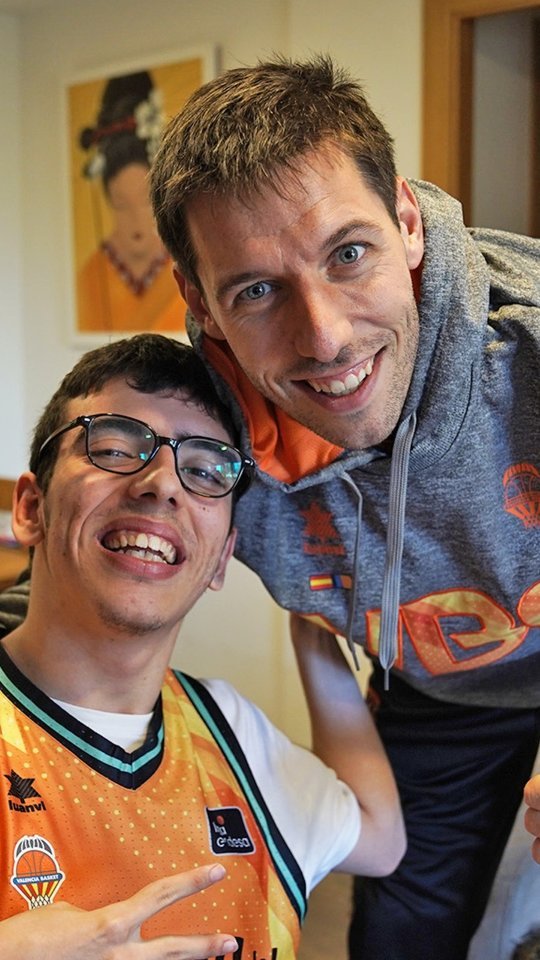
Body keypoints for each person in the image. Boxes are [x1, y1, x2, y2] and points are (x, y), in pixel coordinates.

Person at [146, 55, 540, 960]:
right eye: (256, 291)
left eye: (348, 253)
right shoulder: (205, 436)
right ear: (200, 301)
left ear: (407, 221)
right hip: (435, 687)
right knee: (398, 936)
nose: (324, 338)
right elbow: (93, 560)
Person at [0, 333, 405, 959]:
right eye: (115, 447)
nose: (162, 483)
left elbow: (381, 841)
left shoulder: (230, 731)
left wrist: (316, 629)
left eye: (205, 470)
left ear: (221, 559)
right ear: (31, 508)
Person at [76, 71, 185, 334]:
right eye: (121, 204)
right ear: (108, 199)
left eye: (146, 202)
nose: (135, 221)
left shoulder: (188, 270)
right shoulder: (90, 278)